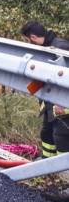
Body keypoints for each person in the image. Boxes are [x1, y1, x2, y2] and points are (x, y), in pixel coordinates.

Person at [21, 21, 69, 156]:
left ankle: (63, 171)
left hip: (62, 104)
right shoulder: (47, 48)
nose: (30, 43)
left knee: (61, 137)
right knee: (47, 134)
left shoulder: (61, 48)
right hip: (51, 103)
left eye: (28, 40)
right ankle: (47, 165)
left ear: (33, 37)